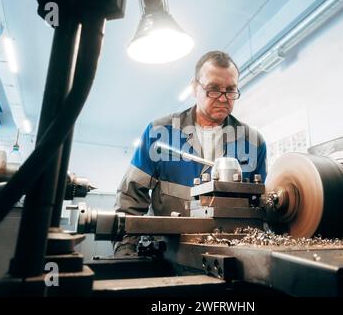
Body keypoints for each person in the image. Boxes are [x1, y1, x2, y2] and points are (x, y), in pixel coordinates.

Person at [114, 50, 267, 255]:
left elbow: (262, 209)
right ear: (194, 88)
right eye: (213, 89)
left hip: (232, 260)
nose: (223, 98)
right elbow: (129, 200)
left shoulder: (253, 143)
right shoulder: (160, 134)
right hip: (166, 258)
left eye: (230, 90)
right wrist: (125, 254)